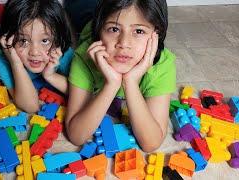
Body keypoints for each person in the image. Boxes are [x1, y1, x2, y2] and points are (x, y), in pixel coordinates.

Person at [65, 0, 176, 152]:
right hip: (87, 18)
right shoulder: (85, 56)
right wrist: (111, 84)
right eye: (114, 29)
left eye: (139, 31)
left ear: (157, 35)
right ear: (99, 33)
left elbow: (151, 143)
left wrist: (130, 82)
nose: (124, 43)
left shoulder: (162, 64)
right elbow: (76, 135)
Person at [0, 0, 74, 113]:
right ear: (8, 41)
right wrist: (16, 63)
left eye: (45, 40)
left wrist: (50, 76)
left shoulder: (61, 51)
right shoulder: (4, 61)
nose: (35, 52)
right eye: (23, 40)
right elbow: (31, 106)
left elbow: (81, 92)